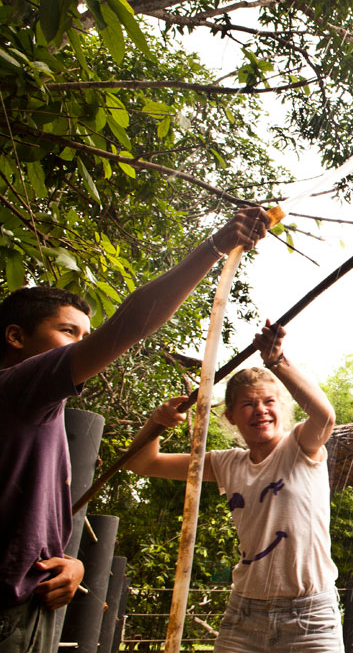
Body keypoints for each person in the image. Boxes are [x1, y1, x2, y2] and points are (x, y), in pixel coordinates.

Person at [0, 208, 271, 653]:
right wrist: (214, 248)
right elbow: (132, 323)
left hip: (31, 603)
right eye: (70, 332)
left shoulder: (38, 413)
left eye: (86, 334)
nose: (83, 345)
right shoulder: (16, 389)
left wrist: (72, 564)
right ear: (15, 336)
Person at [126, 321, 341, 653]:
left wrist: (277, 361)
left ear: (282, 408)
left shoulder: (299, 447)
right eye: (248, 404)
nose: (260, 410)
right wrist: (156, 423)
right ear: (230, 417)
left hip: (310, 617)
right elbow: (143, 463)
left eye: (269, 401)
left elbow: (325, 417)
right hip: (245, 615)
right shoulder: (226, 463)